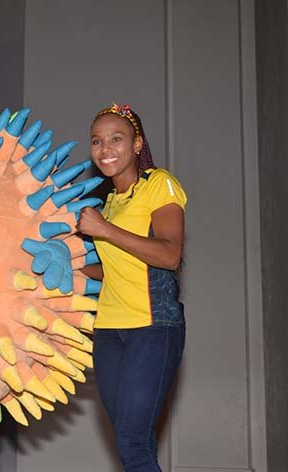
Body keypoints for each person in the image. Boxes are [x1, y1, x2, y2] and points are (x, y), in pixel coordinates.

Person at [76, 103, 187, 471]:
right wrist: (74, 269)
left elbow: (170, 255)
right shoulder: (108, 203)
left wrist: (104, 231)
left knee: (132, 441)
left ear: (137, 144)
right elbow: (117, 269)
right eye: (97, 141)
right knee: (131, 437)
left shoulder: (159, 183)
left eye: (116, 139)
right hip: (109, 331)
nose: (105, 149)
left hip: (153, 328)